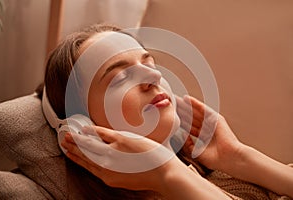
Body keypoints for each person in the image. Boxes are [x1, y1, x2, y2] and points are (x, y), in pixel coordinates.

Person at [40, 23, 293, 199]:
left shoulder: (224, 171)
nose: (155, 75)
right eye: (120, 78)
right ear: (82, 130)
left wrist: (238, 157)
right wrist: (166, 173)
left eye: (149, 64)